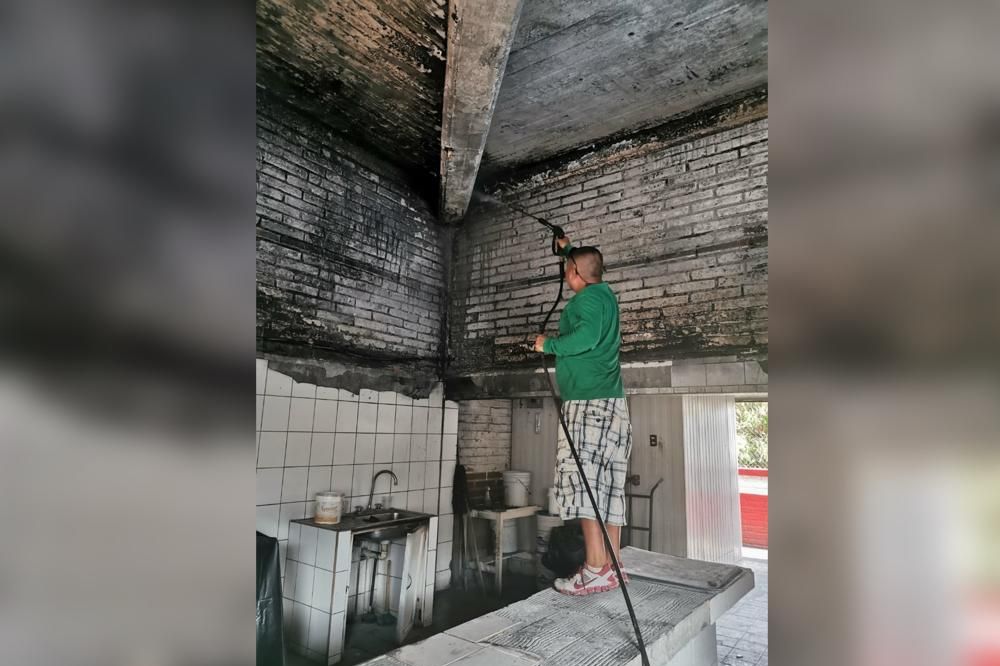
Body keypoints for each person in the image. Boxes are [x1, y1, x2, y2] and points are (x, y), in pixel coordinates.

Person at [533, 236, 633, 595]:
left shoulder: (587, 299)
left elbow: (586, 337)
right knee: (608, 483)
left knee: (583, 481)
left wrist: (549, 344)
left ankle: (594, 569)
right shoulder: (604, 295)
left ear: (575, 272)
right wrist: (567, 249)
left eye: (567, 268)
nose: (564, 273)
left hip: (587, 406)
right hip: (610, 404)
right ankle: (612, 566)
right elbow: (584, 265)